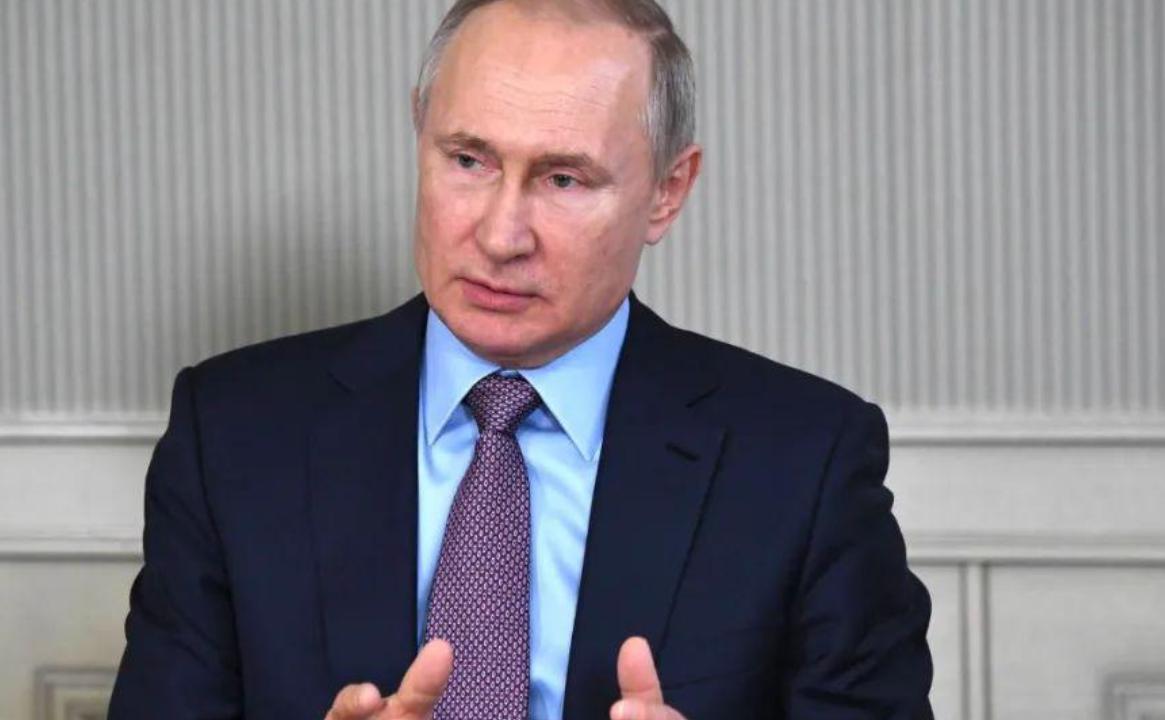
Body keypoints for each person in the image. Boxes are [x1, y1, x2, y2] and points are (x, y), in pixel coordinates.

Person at [108, 0, 933, 718]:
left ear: (667, 191)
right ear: (420, 133)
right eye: (468, 161)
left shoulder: (805, 460)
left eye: (563, 179)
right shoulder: (233, 433)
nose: (501, 236)